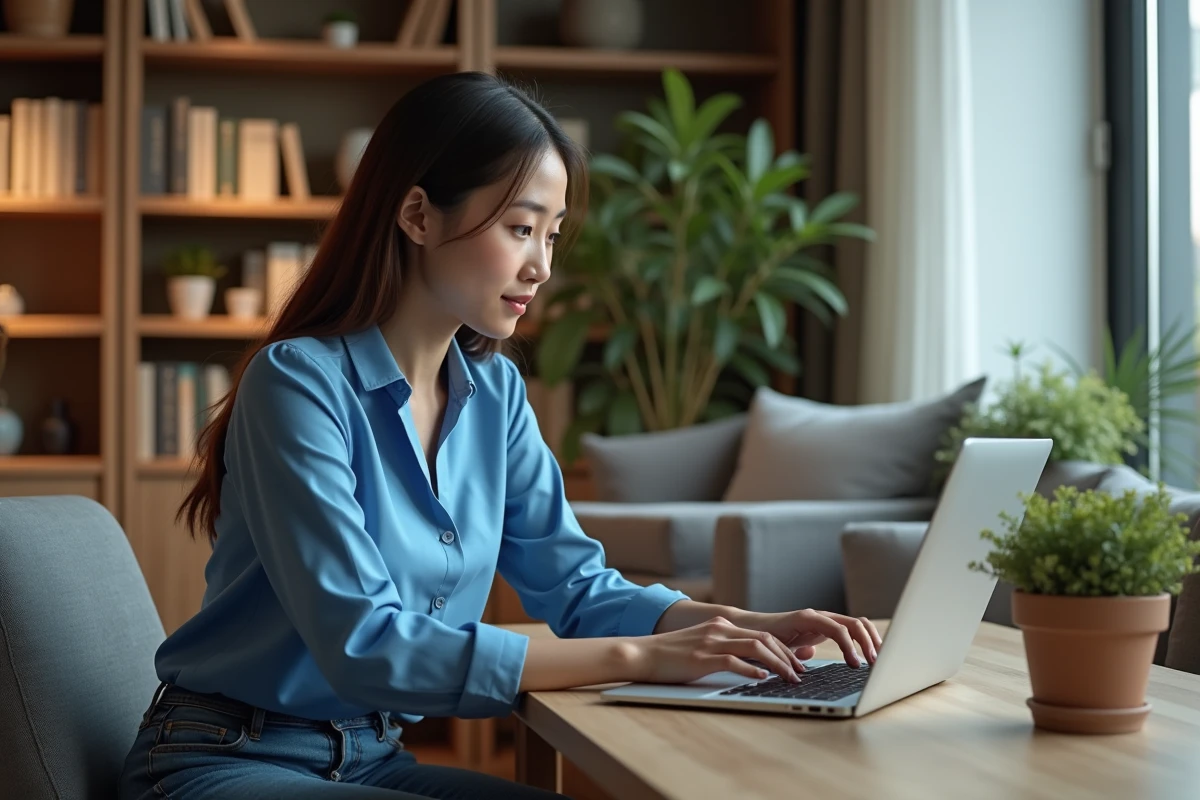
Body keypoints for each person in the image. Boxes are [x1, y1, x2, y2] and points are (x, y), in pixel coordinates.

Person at [117, 71, 881, 800]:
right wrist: (647, 657)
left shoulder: (496, 395)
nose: (542, 266)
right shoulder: (298, 383)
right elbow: (366, 644)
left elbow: (576, 586)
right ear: (418, 216)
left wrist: (740, 626)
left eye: (551, 234)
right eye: (520, 228)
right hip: (226, 759)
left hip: (371, 757)